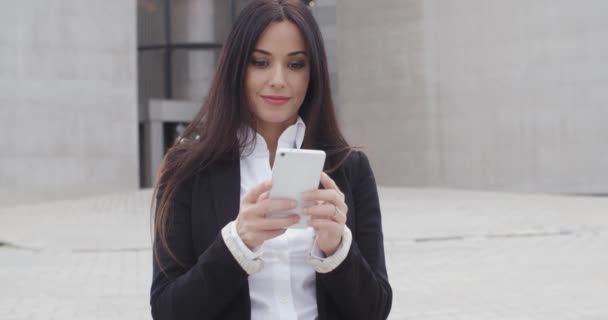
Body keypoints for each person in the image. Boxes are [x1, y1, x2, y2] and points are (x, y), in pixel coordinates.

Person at [149, 0, 392, 319]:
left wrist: (337, 249)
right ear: (237, 68)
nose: (278, 79)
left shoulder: (350, 169)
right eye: (260, 62)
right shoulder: (187, 170)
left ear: (312, 73)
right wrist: (238, 242)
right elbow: (168, 310)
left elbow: (375, 310)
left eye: (295, 64)